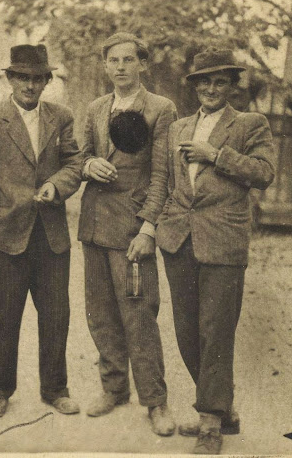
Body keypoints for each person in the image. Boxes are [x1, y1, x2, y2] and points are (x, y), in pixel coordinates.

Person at [156, 47, 275, 454]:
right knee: (187, 332)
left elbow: (264, 173)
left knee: (216, 331)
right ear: (194, 86)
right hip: (179, 240)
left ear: (231, 87)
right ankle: (223, 409)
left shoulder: (249, 124)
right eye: (204, 81)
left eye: (220, 82)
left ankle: (210, 422)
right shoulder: (178, 127)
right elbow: (170, 183)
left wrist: (217, 156)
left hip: (223, 242)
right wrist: (162, 225)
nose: (211, 88)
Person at [0, 44, 82, 418]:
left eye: (37, 79)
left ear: (47, 81)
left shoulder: (61, 117)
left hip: (50, 233)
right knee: (5, 315)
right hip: (5, 231)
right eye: (22, 78)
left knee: (56, 315)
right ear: (10, 79)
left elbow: (74, 163)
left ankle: (55, 389)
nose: (29, 86)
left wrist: (56, 185)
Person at [77, 32, 177, 436]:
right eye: (113, 60)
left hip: (132, 229)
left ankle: (155, 401)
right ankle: (114, 388)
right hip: (94, 226)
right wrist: (89, 166)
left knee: (139, 315)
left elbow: (162, 175)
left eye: (128, 59)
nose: (120, 67)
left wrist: (148, 228)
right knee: (100, 314)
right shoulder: (96, 108)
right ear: (106, 66)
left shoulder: (160, 109)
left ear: (142, 64)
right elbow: (79, 155)